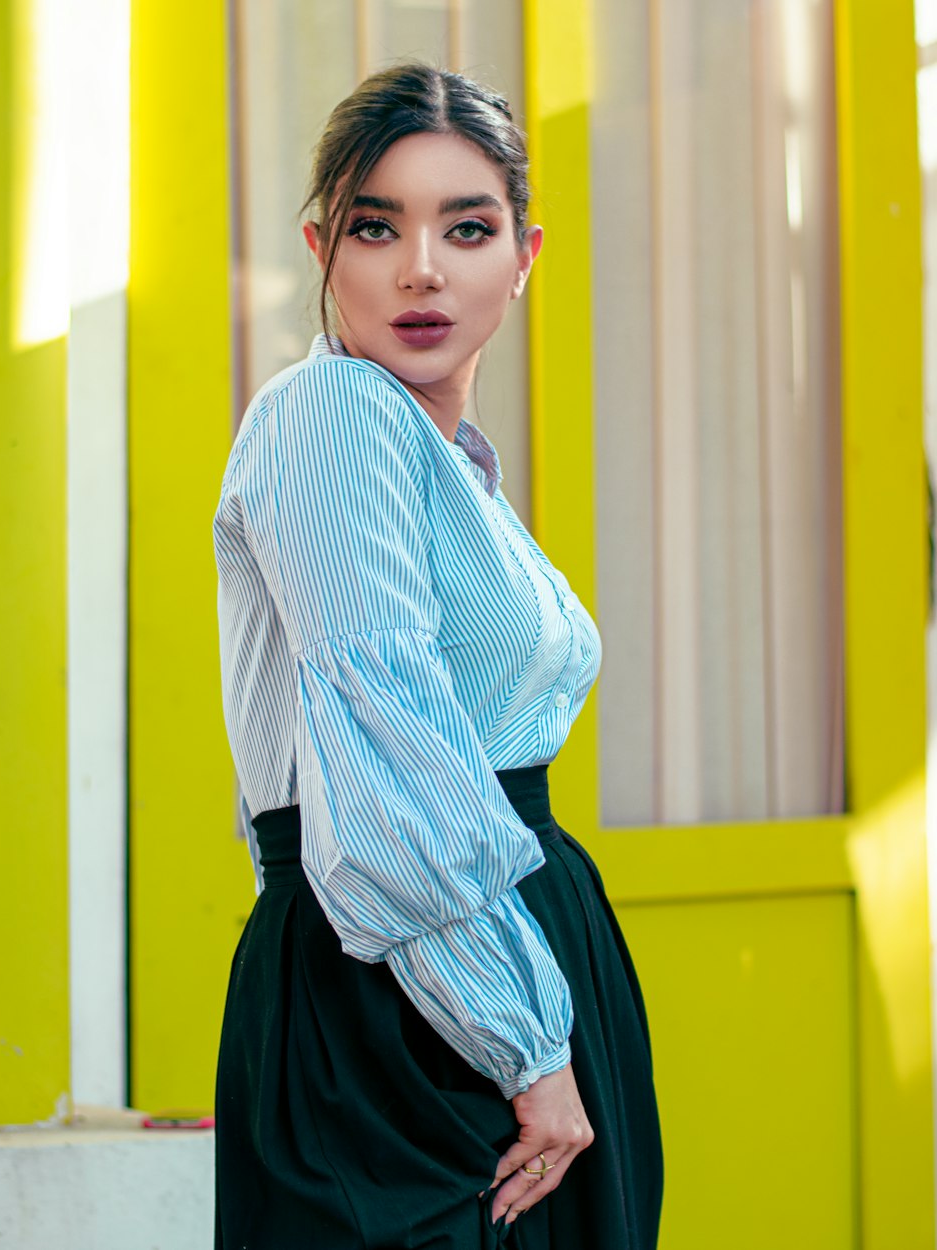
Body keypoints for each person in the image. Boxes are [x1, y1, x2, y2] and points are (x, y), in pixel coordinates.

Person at [212, 61, 663, 1249]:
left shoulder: (451, 466)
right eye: (377, 226)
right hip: (417, 1006)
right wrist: (526, 1046)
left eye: (467, 227)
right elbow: (387, 737)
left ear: (524, 256)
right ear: (322, 248)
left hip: (493, 959)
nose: (422, 267)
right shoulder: (332, 416)